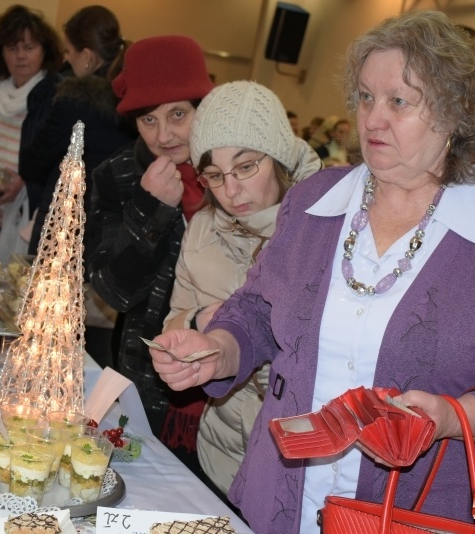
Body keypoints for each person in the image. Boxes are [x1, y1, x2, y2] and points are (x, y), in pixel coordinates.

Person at [148, 11, 475, 533]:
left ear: (456, 112)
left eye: (398, 101)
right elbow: (257, 310)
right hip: (284, 497)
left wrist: (449, 416)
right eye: (366, 98)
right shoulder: (314, 200)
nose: (372, 119)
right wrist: (217, 350)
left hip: (417, 507)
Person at [163, 80, 322, 497]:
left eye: (247, 166)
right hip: (219, 454)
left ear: (280, 158)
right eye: (214, 175)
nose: (230, 191)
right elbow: (172, 323)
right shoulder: (201, 229)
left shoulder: (324, 226)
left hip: (297, 464)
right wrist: (197, 322)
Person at [85, 35, 214, 439]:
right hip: (151, 381)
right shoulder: (118, 175)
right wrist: (150, 209)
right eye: (148, 120)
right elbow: (115, 293)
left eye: (178, 115)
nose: (163, 136)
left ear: (202, 109)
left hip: (235, 388)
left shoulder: (238, 173)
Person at [21, 4, 135, 257]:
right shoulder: (133, 103)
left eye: (68, 51)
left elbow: (31, 163)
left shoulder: (74, 102)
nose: (66, 59)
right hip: (113, 229)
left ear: (87, 56)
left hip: (66, 224)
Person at [0, 4, 63, 255]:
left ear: (45, 51)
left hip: (27, 213)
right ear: (2, 53)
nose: (20, 55)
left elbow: (57, 164)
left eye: (29, 47)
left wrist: (24, 188)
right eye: (12, 48)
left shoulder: (56, 94)